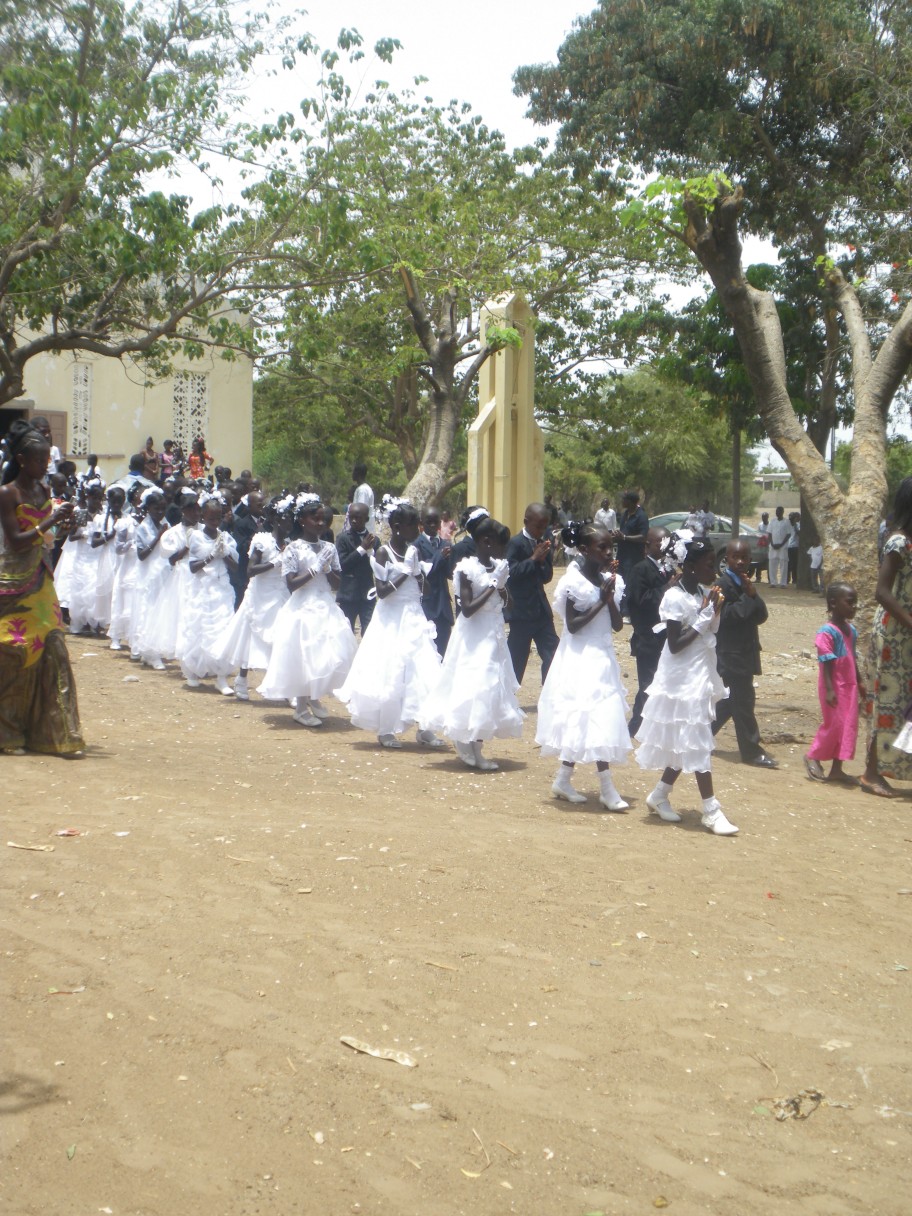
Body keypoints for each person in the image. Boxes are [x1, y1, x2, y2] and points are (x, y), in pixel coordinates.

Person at [635, 534, 738, 835]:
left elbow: (708, 630)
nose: (714, 570)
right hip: (681, 676)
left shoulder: (702, 592)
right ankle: (711, 810)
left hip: (701, 671)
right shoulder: (674, 597)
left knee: (688, 739)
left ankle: (659, 794)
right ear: (690, 566)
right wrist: (705, 616)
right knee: (697, 737)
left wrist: (712, 610)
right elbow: (676, 644)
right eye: (709, 564)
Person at [0, 421, 84, 755]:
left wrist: (64, 523)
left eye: (46, 461)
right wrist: (49, 521)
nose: (44, 466)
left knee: (54, 649)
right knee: (16, 653)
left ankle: (59, 734)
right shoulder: (8, 494)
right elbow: (17, 542)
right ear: (22, 460)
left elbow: (45, 539)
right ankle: (8, 732)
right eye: (38, 461)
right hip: (12, 583)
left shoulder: (44, 491)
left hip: (41, 579)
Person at [536, 521, 631, 809]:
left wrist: (610, 597)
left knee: (598, 717)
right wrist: (601, 601)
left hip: (602, 657)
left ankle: (563, 779)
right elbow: (573, 626)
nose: (607, 552)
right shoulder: (571, 582)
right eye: (601, 547)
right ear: (583, 549)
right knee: (585, 717)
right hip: (579, 657)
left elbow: (617, 626)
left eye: (610, 547)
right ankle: (606, 788)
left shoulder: (612, 580)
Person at [336, 500, 445, 749]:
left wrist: (418, 574)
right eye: (411, 525)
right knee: (390, 671)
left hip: (413, 617)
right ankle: (386, 729)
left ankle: (425, 727)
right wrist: (404, 572)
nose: (416, 530)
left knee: (422, 670)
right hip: (391, 619)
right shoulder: (383, 552)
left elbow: (425, 590)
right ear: (397, 527)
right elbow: (382, 592)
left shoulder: (413, 552)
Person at [423, 517, 523, 770]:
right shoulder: (466, 569)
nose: (504, 552)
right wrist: (491, 585)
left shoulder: (500, 566)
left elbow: (509, 603)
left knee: (490, 688)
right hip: (473, 635)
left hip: (494, 633)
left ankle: (478, 748)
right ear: (486, 542)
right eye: (501, 545)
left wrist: (502, 589)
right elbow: (467, 609)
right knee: (473, 686)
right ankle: (463, 739)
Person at [258, 493, 356, 727]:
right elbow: (291, 583)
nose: (321, 523)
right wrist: (313, 569)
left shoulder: (329, 547)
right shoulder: (294, 548)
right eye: (315, 519)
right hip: (303, 606)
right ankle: (301, 707)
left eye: (323, 519)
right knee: (304, 654)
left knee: (326, 654)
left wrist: (326, 567)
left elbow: (337, 583)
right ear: (302, 520)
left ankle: (314, 696)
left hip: (325, 604)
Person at [862, 477, 912, 797]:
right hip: (892, 637)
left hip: (906, 637)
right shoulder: (897, 543)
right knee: (887, 703)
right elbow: (882, 592)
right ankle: (870, 772)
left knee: (906, 705)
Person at [218, 495, 293, 700]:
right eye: (287, 518)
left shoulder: (288, 543)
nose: (291, 523)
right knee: (249, 635)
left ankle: (281, 684)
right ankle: (242, 678)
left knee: (280, 637)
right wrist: (275, 563)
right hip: (260, 594)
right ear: (277, 520)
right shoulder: (262, 540)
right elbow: (250, 570)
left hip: (280, 593)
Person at [711, 539, 777, 768]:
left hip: (745, 653)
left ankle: (699, 735)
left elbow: (761, 616)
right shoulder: (723, 584)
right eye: (735, 557)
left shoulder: (745, 582)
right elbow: (726, 617)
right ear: (726, 558)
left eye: (745, 558)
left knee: (730, 702)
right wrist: (748, 598)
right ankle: (751, 752)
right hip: (731, 654)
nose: (740, 562)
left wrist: (753, 595)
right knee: (744, 703)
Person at [176, 492, 239, 694]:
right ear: (203, 517)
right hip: (202, 589)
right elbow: (193, 567)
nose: (214, 522)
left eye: (218, 518)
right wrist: (211, 556)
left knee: (222, 628)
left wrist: (224, 553)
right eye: (210, 518)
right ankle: (194, 671)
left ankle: (221, 677)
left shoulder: (226, 537)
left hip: (221, 589)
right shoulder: (196, 536)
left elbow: (235, 567)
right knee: (199, 628)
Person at [804, 582, 863, 785]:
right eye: (849, 602)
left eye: (855, 603)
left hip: (850, 686)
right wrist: (829, 689)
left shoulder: (851, 630)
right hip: (834, 686)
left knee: (848, 726)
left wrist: (861, 681)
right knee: (834, 724)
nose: (854, 607)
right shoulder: (826, 632)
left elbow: (852, 657)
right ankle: (813, 755)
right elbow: (826, 661)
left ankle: (837, 768)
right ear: (833, 603)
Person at [625, 526, 673, 737]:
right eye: (658, 543)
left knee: (661, 682)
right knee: (647, 683)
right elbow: (640, 600)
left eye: (666, 544)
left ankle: (654, 726)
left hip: (665, 637)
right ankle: (635, 726)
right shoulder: (640, 570)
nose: (663, 548)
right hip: (647, 637)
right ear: (647, 546)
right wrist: (666, 588)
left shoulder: (667, 568)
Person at [505, 501, 559, 684]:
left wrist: (543, 562)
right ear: (526, 521)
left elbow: (546, 577)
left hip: (541, 612)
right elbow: (510, 573)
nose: (541, 531)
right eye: (538, 526)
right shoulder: (515, 543)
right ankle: (508, 699)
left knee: (554, 653)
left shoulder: (543, 543)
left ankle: (550, 694)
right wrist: (533, 559)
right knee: (516, 659)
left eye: (545, 527)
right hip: (521, 612)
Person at [129, 489, 170, 667]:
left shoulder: (165, 524)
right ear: (148, 509)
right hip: (147, 574)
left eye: (162, 509)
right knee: (146, 609)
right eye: (156, 509)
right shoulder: (143, 528)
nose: (160, 513)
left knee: (159, 610)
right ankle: (148, 651)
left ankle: (154, 647)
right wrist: (158, 537)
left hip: (162, 573)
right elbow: (142, 555)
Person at [415, 505, 454, 656]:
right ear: (421, 523)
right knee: (427, 650)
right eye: (428, 522)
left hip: (443, 604)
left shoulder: (446, 544)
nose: (432, 525)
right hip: (427, 603)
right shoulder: (416, 545)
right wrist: (439, 557)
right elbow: (422, 572)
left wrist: (451, 560)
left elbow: (450, 574)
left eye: (435, 522)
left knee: (443, 647)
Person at [335, 502, 379, 634]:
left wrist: (371, 552)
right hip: (348, 594)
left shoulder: (374, 540)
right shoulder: (342, 538)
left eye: (358, 517)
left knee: (369, 631)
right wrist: (362, 549)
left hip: (368, 593)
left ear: (366, 519)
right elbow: (343, 564)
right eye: (351, 517)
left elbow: (378, 566)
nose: (354, 521)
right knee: (346, 631)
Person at [616, 490, 649, 584]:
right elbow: (623, 532)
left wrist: (625, 537)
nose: (622, 501)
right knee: (619, 582)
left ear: (629, 502)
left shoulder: (641, 516)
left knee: (628, 583)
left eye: (624, 499)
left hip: (633, 558)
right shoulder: (625, 514)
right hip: (621, 556)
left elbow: (643, 537)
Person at [768, 506, 791, 587]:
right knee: (772, 564)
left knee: (783, 564)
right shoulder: (772, 521)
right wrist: (772, 543)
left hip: (782, 547)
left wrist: (781, 544)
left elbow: (788, 534)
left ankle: (783, 583)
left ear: (782, 512)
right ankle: (773, 582)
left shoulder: (786, 522)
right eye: (776, 511)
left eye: (779, 511)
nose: (777, 513)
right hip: (773, 546)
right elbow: (769, 533)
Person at [349, 463, 376, 532]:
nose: (352, 474)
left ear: (358, 473)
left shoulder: (362, 490)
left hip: (362, 533)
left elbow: (360, 512)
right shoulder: (363, 488)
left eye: (354, 471)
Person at [756, 511, 770, 582]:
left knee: (768, 562)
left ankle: (769, 578)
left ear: (768, 517)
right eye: (763, 517)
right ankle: (758, 577)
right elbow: (758, 534)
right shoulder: (760, 525)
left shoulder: (770, 525)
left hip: (768, 546)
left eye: (765, 517)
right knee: (759, 562)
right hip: (761, 546)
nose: (764, 518)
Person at [787, 512, 801, 585]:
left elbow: (799, 534)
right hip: (788, 547)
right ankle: (787, 579)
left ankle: (794, 579)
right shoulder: (787, 526)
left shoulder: (798, 525)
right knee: (788, 563)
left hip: (795, 547)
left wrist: (795, 526)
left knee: (795, 564)